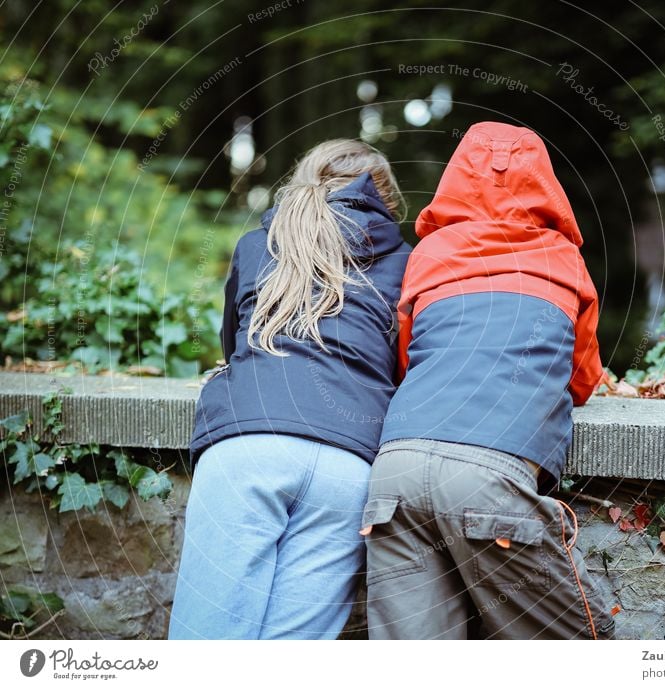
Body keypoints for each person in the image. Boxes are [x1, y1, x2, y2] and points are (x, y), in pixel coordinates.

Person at [360, 121, 617, 640]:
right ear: (545, 183)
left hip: (394, 474)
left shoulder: (428, 257)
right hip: (489, 476)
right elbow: (582, 380)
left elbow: (410, 360)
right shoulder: (564, 260)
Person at [168, 139, 410, 639]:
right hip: (349, 463)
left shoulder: (258, 243)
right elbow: (405, 362)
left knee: (206, 647)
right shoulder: (406, 262)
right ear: (385, 201)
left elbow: (233, 341)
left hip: (245, 446)